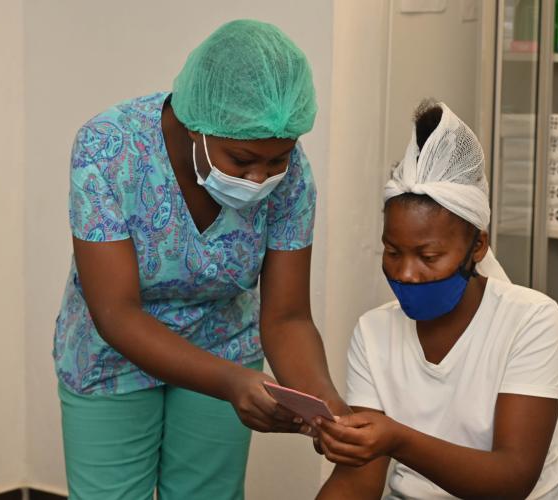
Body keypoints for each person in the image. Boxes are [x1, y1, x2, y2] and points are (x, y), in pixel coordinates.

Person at [54, 19, 347, 500]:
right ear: (196, 126)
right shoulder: (108, 150)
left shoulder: (291, 177)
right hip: (112, 356)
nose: (260, 179)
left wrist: (325, 406)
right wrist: (233, 383)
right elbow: (116, 312)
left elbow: (288, 317)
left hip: (225, 346)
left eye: (278, 160)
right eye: (241, 159)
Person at [315, 100, 558, 500]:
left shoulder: (531, 320)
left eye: (428, 256)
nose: (405, 273)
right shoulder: (374, 332)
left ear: (477, 247)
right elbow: (358, 481)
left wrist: (396, 440)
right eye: (393, 252)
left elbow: (512, 479)